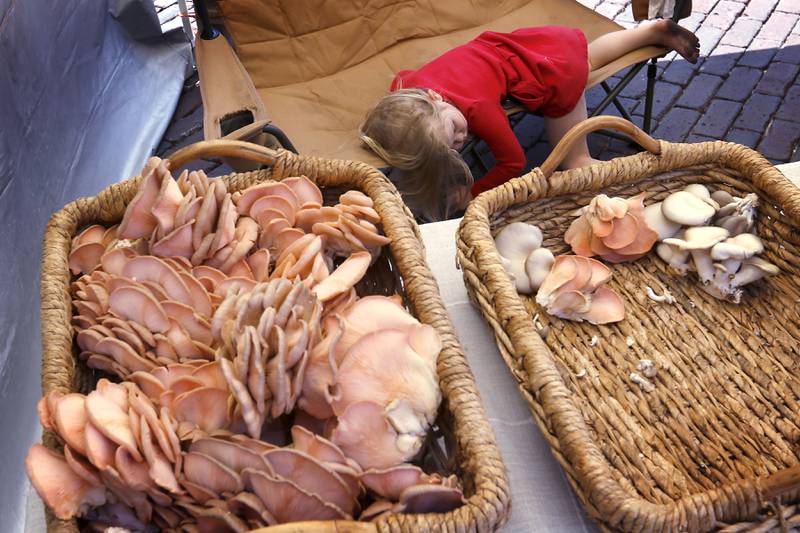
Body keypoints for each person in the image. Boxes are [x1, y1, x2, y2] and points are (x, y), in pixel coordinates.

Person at [360, 19, 700, 221]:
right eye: (451, 147)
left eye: (453, 130)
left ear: (435, 101)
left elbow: (513, 162)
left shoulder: (478, 109)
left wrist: (473, 192)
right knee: (589, 57)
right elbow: (399, 94)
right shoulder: (410, 89)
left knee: (573, 146)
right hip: (526, 44)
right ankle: (648, 32)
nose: (461, 140)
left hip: (545, 67)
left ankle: (598, 168)